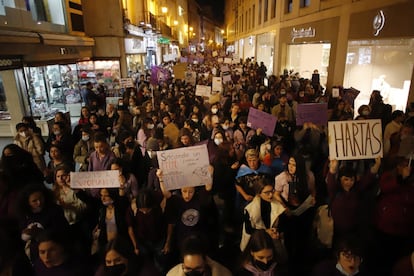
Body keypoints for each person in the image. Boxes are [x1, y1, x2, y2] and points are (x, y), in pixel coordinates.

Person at [16, 183, 69, 262]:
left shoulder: (54, 210)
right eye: (34, 201)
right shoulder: (25, 215)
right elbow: (22, 232)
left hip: (55, 250)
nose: (39, 202)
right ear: (27, 203)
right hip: (34, 253)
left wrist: (42, 233)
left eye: (41, 198)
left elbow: (63, 230)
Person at [240, 178, 286, 254]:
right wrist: (266, 232)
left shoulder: (278, 205)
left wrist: (277, 230)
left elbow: (283, 223)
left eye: (272, 191)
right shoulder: (250, 209)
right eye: (267, 193)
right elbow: (248, 229)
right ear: (259, 193)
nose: (271, 195)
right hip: (257, 241)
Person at [167, 235, 232, 276]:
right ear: (183, 264)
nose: (193, 273)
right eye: (188, 268)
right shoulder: (172, 274)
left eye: (198, 268)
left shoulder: (224, 273)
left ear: (206, 261)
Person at [94, 237, 160, 276]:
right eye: (108, 262)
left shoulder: (147, 272)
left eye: (118, 260)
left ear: (128, 257)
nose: (113, 264)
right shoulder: (102, 272)